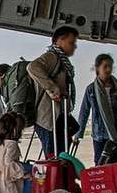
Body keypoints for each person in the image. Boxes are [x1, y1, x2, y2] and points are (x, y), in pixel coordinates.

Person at [28, 26, 79, 158]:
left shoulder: (61, 61)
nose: (74, 47)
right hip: (48, 120)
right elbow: (32, 67)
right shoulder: (52, 57)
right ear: (59, 40)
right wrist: (53, 89)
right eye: (71, 42)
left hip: (56, 118)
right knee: (53, 159)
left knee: (61, 157)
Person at [75, 54, 117, 163]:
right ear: (97, 68)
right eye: (105, 66)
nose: (108, 69)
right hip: (100, 135)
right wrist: (78, 134)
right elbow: (84, 112)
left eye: (110, 66)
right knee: (100, 164)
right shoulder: (91, 89)